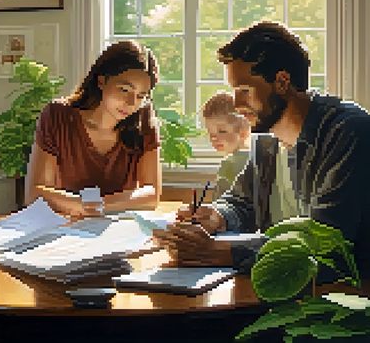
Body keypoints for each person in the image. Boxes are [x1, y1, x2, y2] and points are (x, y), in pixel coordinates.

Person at [153, 21, 370, 281]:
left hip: (335, 301)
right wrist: (216, 217)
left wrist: (222, 252)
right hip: (276, 291)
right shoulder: (267, 138)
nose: (236, 103)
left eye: (244, 90)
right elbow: (241, 203)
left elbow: (325, 245)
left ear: (281, 82)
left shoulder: (346, 130)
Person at [25, 41, 162, 218]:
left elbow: (151, 195)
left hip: (119, 230)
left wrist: (95, 206)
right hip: (65, 228)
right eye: (124, 89)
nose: (131, 103)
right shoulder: (57, 115)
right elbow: (35, 194)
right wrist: (82, 206)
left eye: (141, 96)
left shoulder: (143, 119)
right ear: (102, 81)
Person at [201, 92, 251, 200]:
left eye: (222, 131)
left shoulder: (229, 164)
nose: (214, 138)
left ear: (243, 132)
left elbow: (219, 207)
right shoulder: (258, 158)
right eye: (211, 133)